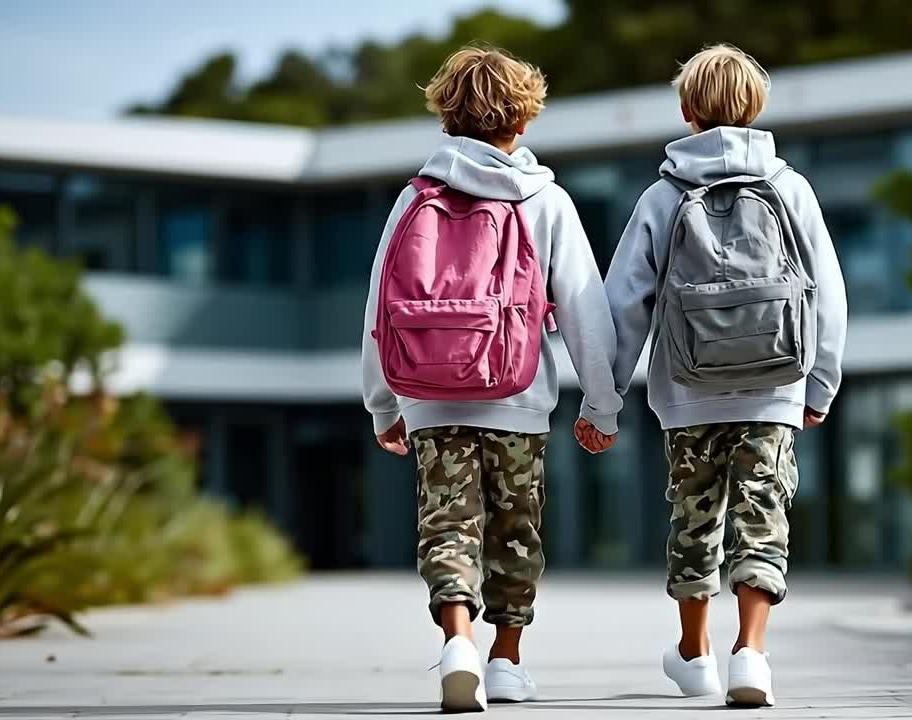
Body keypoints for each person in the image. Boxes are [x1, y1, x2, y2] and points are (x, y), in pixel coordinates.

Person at [361, 45, 621, 713]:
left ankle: (457, 643)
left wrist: (382, 401)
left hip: (429, 396)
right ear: (525, 121)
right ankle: (505, 660)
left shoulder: (414, 197)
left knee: (447, 525)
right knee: (515, 528)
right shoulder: (547, 199)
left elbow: (379, 305)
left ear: (446, 117)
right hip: (518, 395)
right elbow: (585, 305)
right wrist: (602, 401)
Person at [605, 44, 848, 708]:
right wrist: (819, 381)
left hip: (688, 393)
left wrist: (605, 397)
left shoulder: (663, 194)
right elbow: (827, 290)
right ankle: (752, 653)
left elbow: (624, 301)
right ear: (758, 108)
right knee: (761, 517)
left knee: (695, 518)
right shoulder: (790, 187)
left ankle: (696, 653)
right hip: (775, 389)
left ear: (686, 111)